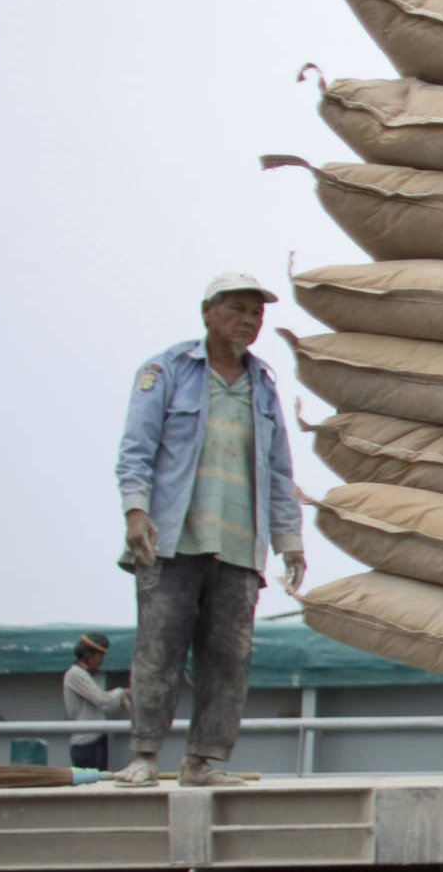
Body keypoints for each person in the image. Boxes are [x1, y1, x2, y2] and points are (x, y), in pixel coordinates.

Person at [112, 273, 303, 787]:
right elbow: (136, 450)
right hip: (172, 540)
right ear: (207, 313)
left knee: (228, 660)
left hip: (239, 545)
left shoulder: (263, 385)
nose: (249, 320)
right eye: (237, 309)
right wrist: (135, 511)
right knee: (159, 650)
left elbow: (279, 469)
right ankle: (145, 755)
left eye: (256, 313)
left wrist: (289, 540)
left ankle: (201, 762)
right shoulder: (167, 370)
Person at [58, 632, 128, 771]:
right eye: (100, 656)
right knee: (92, 782)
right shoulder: (75, 674)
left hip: (95, 738)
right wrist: (122, 692)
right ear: (88, 655)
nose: (101, 660)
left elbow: (101, 705)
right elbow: (100, 698)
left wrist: (119, 699)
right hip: (86, 743)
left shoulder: (83, 674)